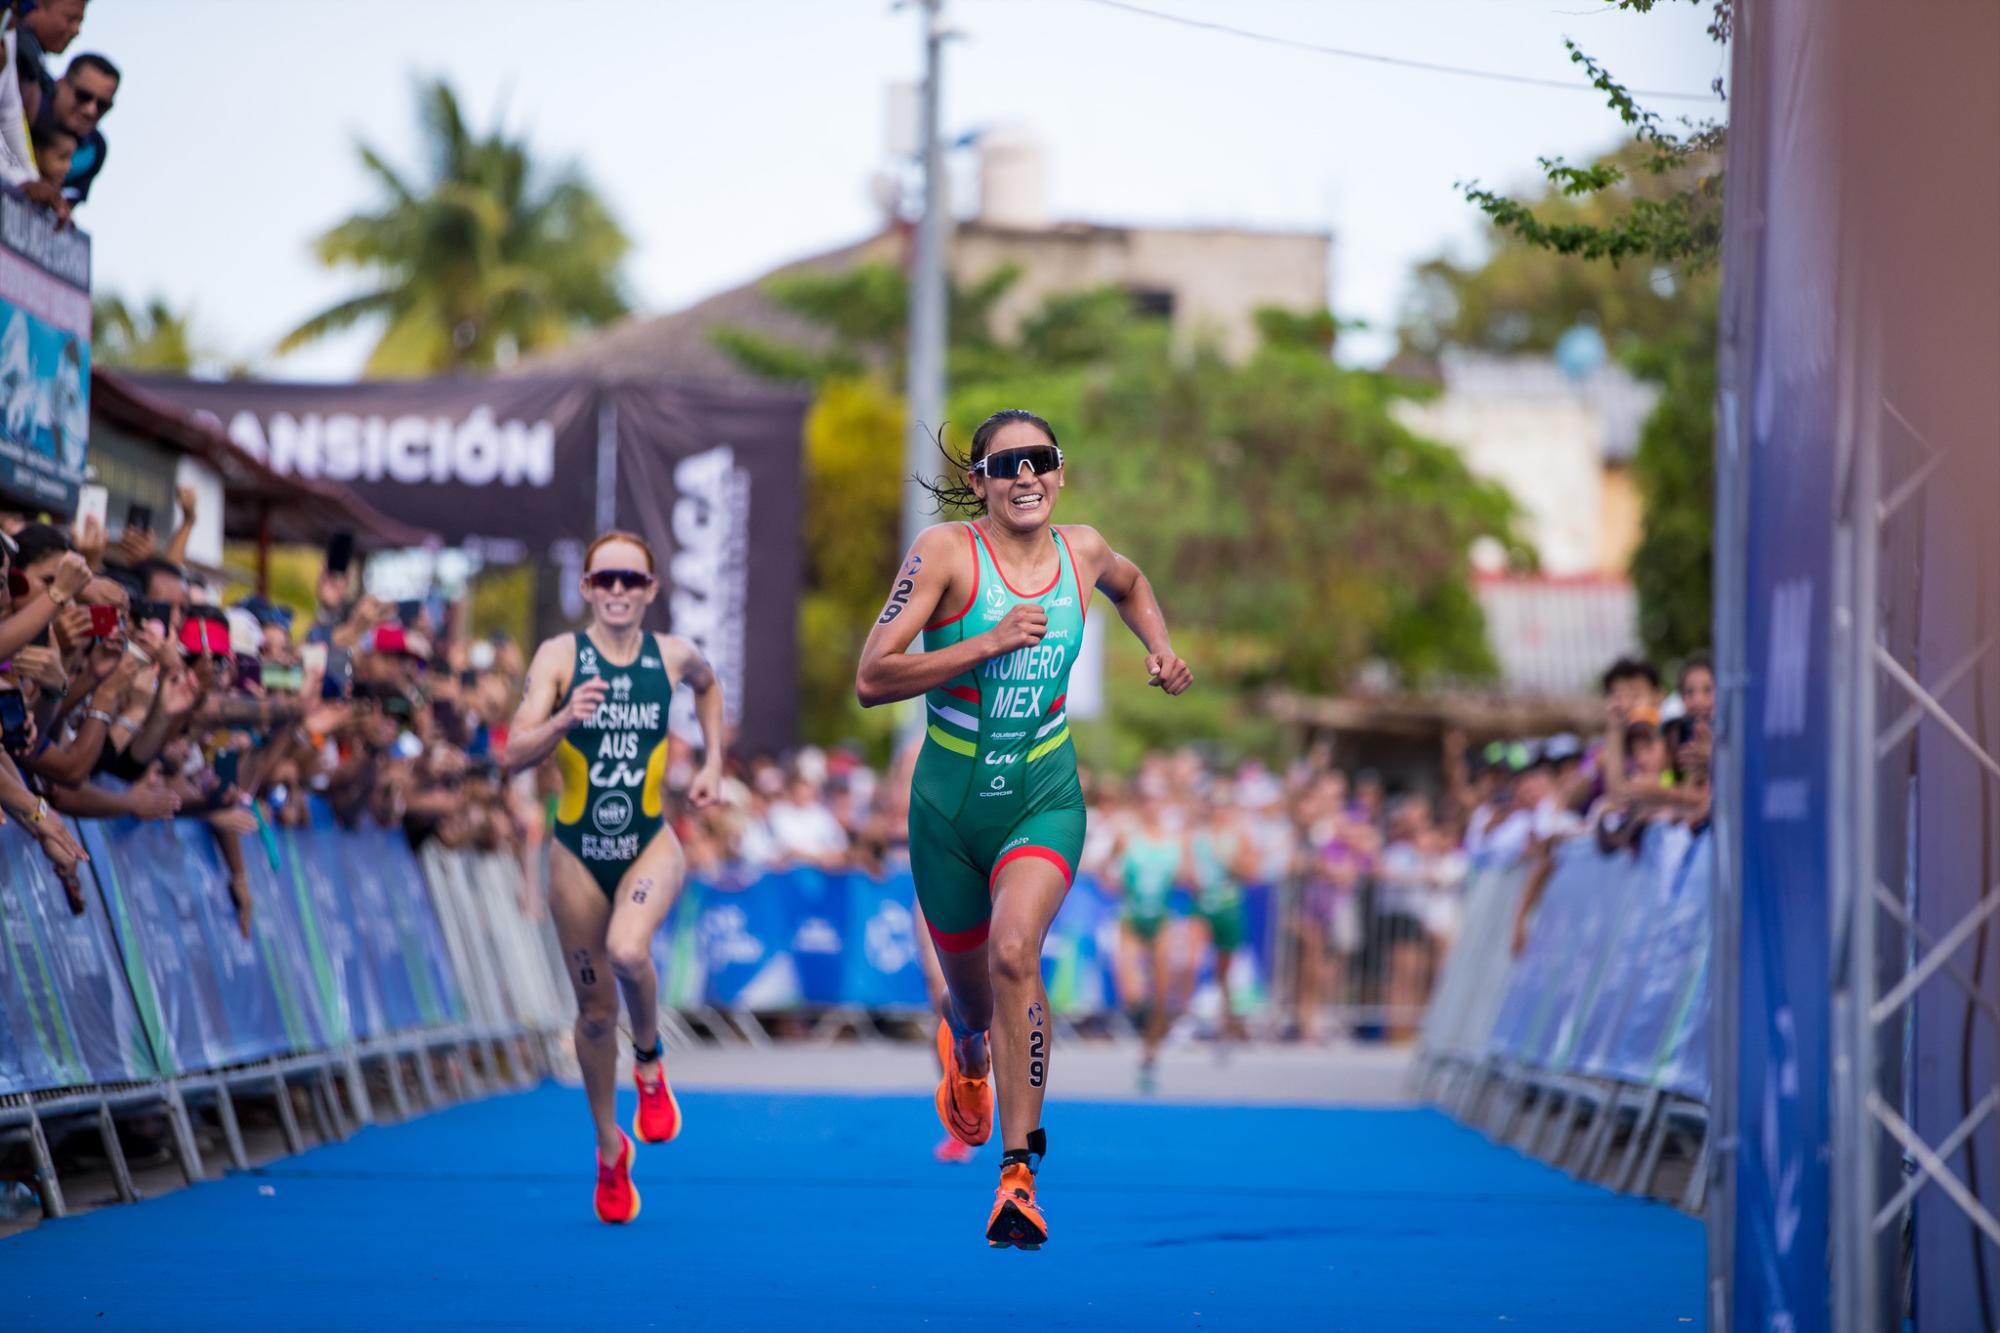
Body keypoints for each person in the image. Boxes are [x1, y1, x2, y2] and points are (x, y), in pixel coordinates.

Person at [855, 407, 1192, 1250]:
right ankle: (965, 1050)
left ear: (1060, 470)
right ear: (979, 484)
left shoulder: (1082, 550)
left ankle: (1018, 1173)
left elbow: (1134, 583)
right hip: (947, 812)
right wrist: (985, 644)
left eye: (1038, 459)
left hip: (1043, 793)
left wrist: (1159, 646)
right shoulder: (944, 555)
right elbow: (871, 676)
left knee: (1016, 952)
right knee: (968, 998)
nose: (1025, 475)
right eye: (1005, 465)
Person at [505, 530, 725, 1225]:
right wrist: (566, 715)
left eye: (633, 579)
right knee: (595, 1012)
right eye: (607, 580)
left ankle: (652, 1063)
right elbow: (511, 751)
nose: (620, 591)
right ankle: (608, 1148)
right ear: (589, 588)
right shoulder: (560, 657)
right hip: (575, 851)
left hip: (648, 841)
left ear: (652, 589)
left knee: (630, 950)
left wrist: (716, 760)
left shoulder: (673, 655)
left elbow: (709, 684)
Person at [1113, 791, 1186, 1090]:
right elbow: (1106, 871)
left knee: (1161, 992)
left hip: (1162, 920)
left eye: (1157, 799)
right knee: (1131, 993)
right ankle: (1146, 1029)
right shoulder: (1127, 837)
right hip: (1132, 917)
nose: (1152, 806)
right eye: (1147, 800)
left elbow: (1191, 878)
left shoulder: (1177, 841)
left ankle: (1150, 1052)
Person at [37, 53, 115, 204]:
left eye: (102, 105)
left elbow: (66, 206)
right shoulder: (26, 106)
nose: (91, 110)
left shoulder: (95, 149)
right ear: (60, 83)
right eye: (83, 96)